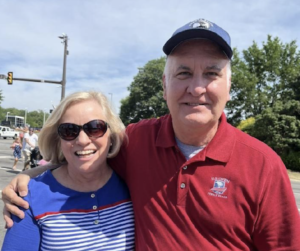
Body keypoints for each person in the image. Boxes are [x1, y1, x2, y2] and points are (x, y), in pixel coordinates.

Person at [2, 19, 300, 250]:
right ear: (164, 85)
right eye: (183, 73)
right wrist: (29, 177)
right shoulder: (136, 141)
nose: (196, 88)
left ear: (229, 85)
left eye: (211, 73)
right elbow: (86, 153)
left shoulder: (263, 165)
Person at [1, 91, 135, 251]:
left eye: (95, 128)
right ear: (59, 140)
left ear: (111, 135)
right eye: (69, 130)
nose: (82, 140)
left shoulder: (133, 183)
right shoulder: (28, 198)